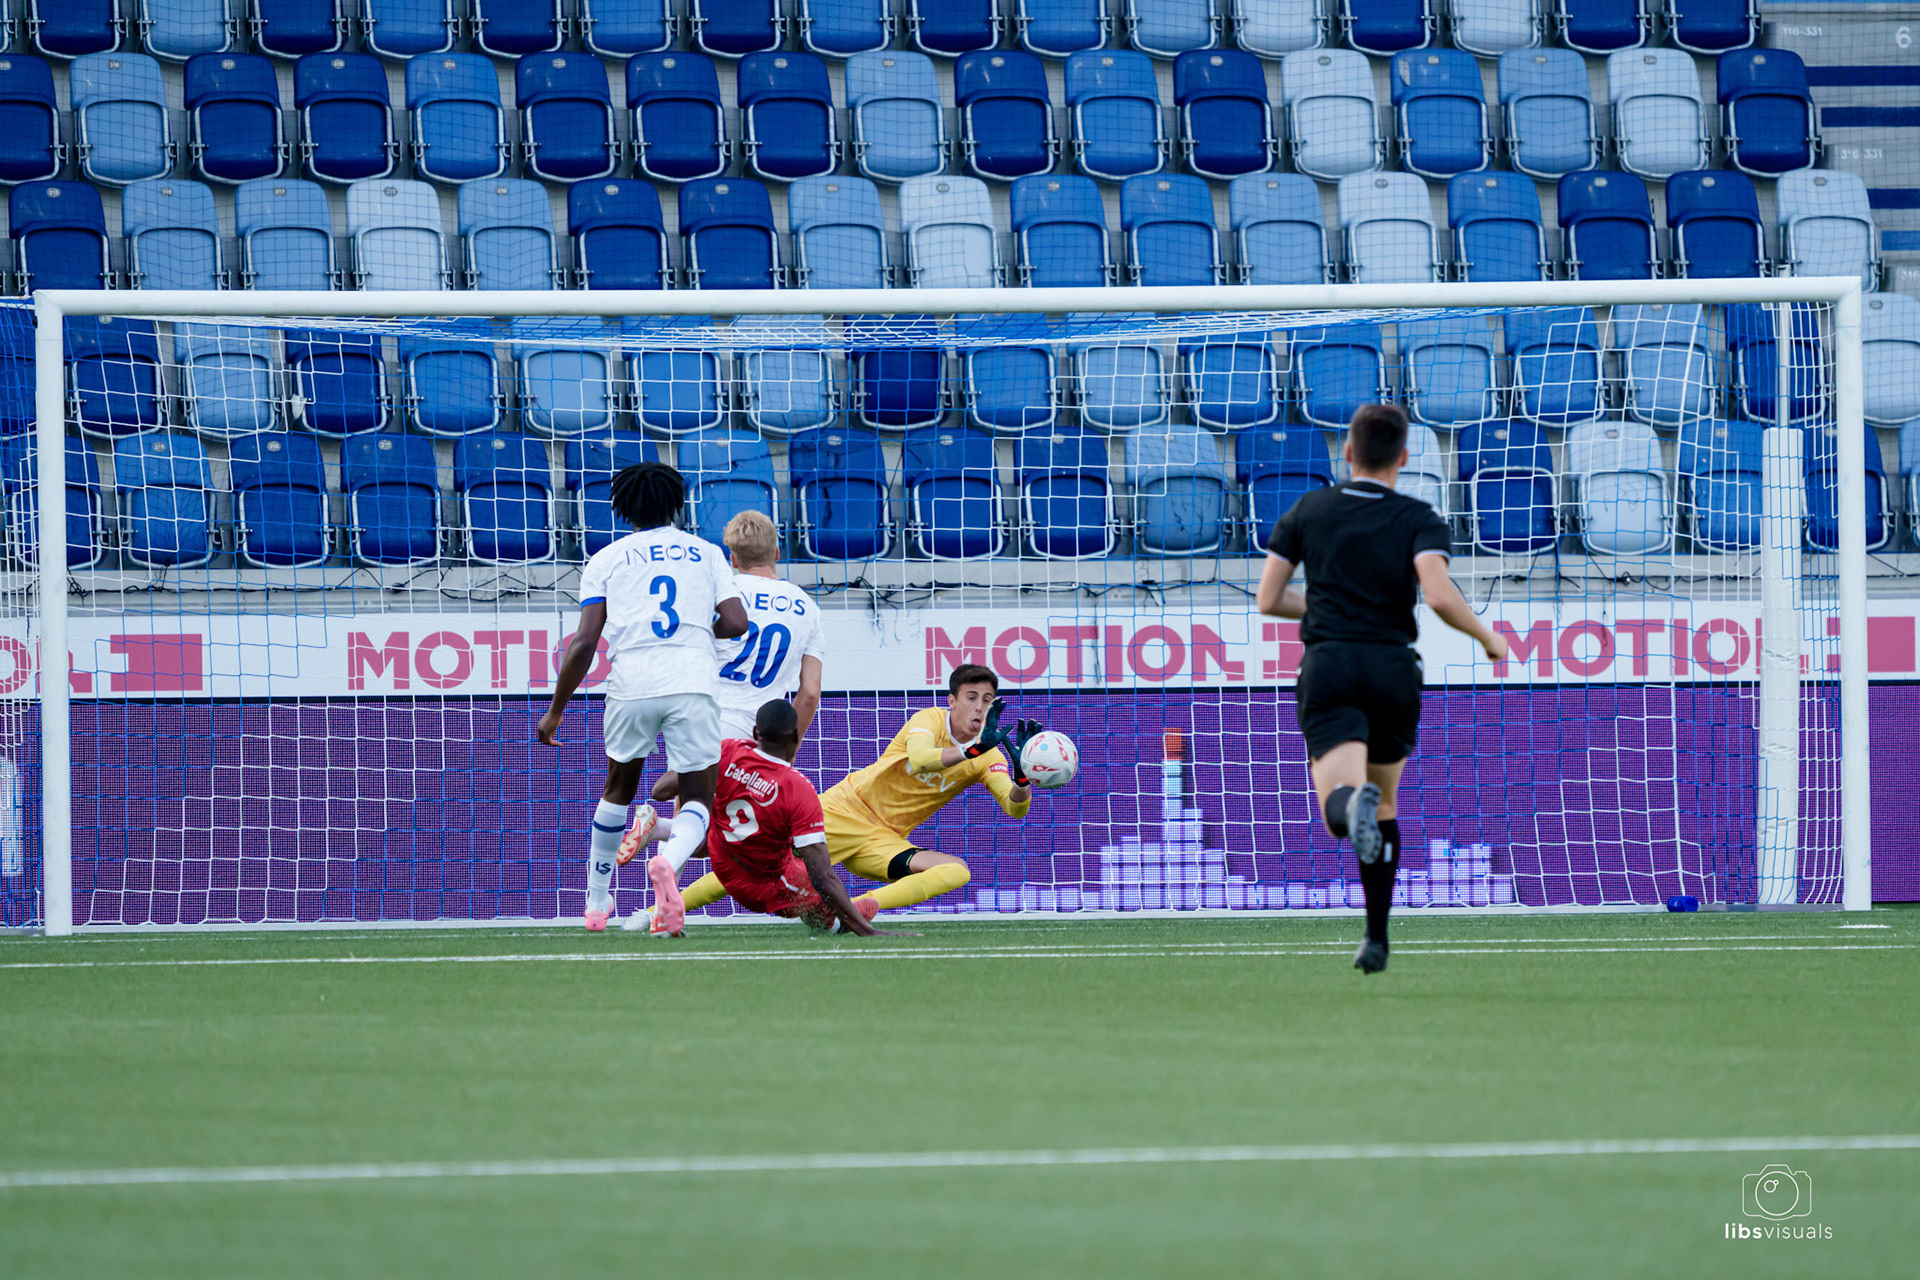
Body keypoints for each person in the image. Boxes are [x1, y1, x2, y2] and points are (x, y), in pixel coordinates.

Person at [1256, 403, 1509, 974]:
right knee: (1386, 803)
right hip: (1394, 668)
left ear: (1347, 453)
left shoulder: (1308, 509)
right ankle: (1377, 937)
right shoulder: (1419, 516)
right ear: (1403, 457)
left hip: (1332, 664)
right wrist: (1487, 636)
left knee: (1339, 811)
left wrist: (1323, 607)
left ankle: (1350, 805)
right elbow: (1441, 597)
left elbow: (1269, 599)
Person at [630, 664, 1042, 925]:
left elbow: (1014, 808)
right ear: (951, 701)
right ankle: (653, 910)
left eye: (987, 700)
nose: (979, 707)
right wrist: (972, 749)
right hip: (845, 810)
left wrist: (1021, 778)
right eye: (971, 698)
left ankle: (860, 906)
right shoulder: (929, 720)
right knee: (753, 861)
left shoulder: (988, 754)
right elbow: (922, 759)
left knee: (957, 871)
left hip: (883, 840)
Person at [535, 462, 749, 936]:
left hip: (631, 683)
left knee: (619, 788)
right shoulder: (706, 553)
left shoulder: (607, 559)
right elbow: (736, 623)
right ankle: (668, 862)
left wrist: (555, 712)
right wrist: (698, 637)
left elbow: (584, 644)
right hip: (691, 680)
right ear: (677, 503)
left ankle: (595, 903)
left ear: (622, 507)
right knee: (697, 796)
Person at [637, 508, 826, 816]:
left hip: (706, 717)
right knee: (730, 831)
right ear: (778, 552)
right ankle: (662, 820)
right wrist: (786, 750)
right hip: (759, 733)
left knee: (696, 827)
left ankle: (658, 820)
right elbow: (809, 694)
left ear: (733, 559)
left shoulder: (721, 595)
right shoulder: (808, 608)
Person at [694, 699, 895, 937]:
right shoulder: (796, 787)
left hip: (719, 861)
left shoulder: (728, 749)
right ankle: (839, 925)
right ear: (796, 735)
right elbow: (823, 876)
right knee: (815, 883)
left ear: (756, 732)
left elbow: (661, 790)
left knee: (790, 857)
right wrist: (869, 932)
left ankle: (661, 832)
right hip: (761, 887)